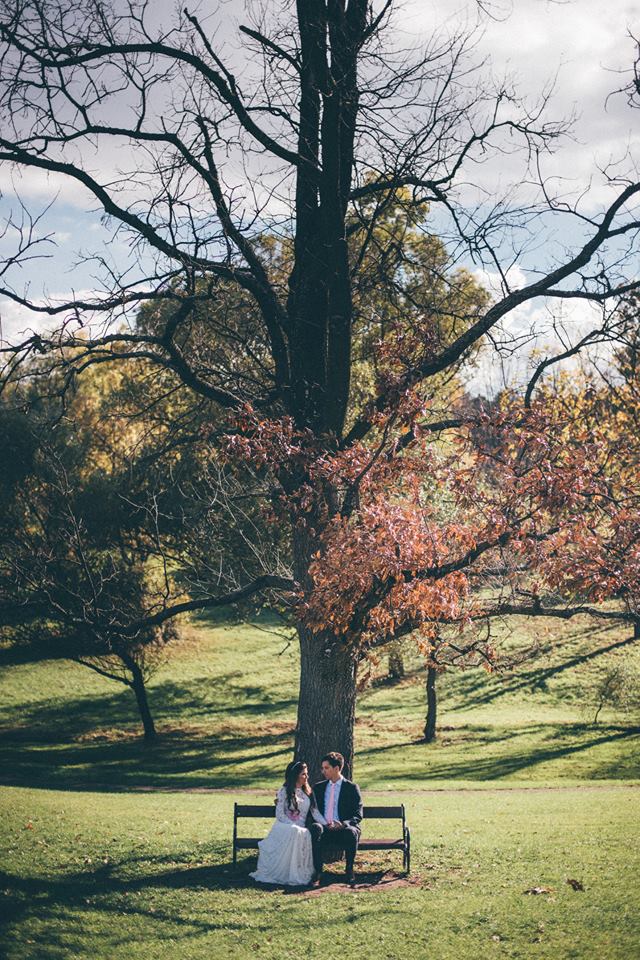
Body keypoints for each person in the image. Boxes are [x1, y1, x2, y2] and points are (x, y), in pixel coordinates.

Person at [249, 759, 326, 886]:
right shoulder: (284, 791)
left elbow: (315, 812)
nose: (307, 777)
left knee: (300, 832)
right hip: (284, 825)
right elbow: (279, 814)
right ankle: (285, 873)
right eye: (303, 774)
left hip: (301, 828)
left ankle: (299, 871)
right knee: (295, 831)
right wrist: (292, 825)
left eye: (306, 774)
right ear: (295, 776)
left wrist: (327, 823)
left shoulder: (308, 792)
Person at [308, 751, 363, 887]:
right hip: (324, 829)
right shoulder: (319, 788)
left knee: (351, 832)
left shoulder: (351, 788)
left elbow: (358, 814)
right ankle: (318, 871)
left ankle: (349, 870)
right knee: (315, 828)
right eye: (323, 768)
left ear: (337, 768)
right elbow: (312, 809)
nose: (323, 771)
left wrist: (344, 824)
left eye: (326, 768)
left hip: (343, 830)